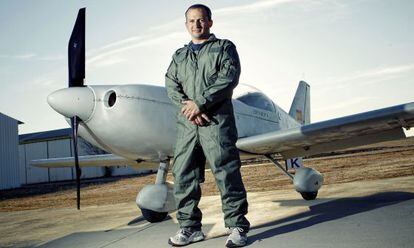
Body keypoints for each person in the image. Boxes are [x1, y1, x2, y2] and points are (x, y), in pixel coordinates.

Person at [165, 4, 250, 247]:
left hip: (216, 122)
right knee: (183, 175)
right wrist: (189, 107)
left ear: (210, 22)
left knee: (226, 172)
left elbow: (228, 77)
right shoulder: (179, 56)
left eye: (201, 20)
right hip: (187, 125)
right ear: (186, 25)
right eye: (191, 21)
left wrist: (200, 104)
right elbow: (171, 84)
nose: (196, 25)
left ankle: (237, 227)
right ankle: (190, 228)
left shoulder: (224, 48)